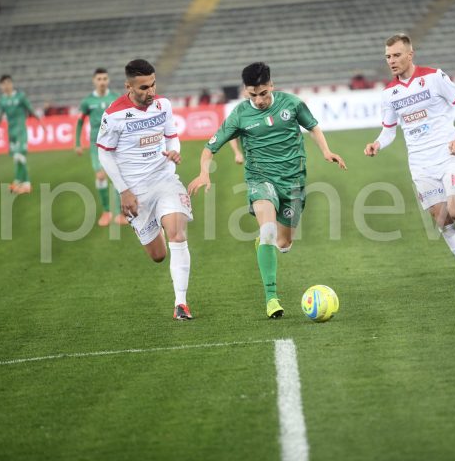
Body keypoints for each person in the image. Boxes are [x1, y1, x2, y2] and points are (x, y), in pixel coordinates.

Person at [187, 62, 346, 319]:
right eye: (253, 95)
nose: (259, 100)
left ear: (271, 85)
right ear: (245, 91)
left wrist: (326, 151)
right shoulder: (239, 115)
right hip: (260, 178)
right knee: (268, 230)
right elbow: (209, 148)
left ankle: (265, 243)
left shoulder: (292, 104)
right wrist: (204, 172)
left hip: (293, 181)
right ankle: (271, 297)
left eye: (263, 93)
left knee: (283, 242)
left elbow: (313, 126)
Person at [363, 33, 455, 292]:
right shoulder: (389, 94)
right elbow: (389, 130)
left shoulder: (434, 77)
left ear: (410, 54)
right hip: (420, 165)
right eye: (388, 56)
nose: (391, 61)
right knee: (442, 220)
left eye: (397, 55)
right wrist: (377, 143)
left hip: (448, 156)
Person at [96, 59, 194, 320]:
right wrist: (123, 190)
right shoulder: (114, 114)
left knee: (177, 233)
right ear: (128, 86)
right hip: (135, 192)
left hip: (164, 180)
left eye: (153, 85)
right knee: (159, 255)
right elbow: (104, 154)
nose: (150, 92)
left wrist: (175, 151)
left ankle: (181, 304)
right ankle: (152, 226)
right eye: (143, 88)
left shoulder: (163, 106)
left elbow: (172, 136)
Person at [74, 68, 127, 227]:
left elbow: (125, 118)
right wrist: (77, 143)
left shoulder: (116, 97)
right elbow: (80, 122)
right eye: (99, 79)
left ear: (108, 80)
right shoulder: (87, 101)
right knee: (101, 176)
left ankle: (120, 212)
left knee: (117, 176)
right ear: (94, 81)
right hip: (96, 144)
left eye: (104, 78)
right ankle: (106, 211)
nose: (102, 81)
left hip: (115, 143)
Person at [0, 75, 42, 194]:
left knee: (19, 156)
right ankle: (26, 184)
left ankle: (17, 181)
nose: (6, 86)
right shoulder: (2, 100)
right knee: (18, 159)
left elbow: (30, 109)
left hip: (21, 131)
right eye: (3, 84)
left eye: (8, 83)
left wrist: (40, 121)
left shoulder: (20, 96)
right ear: (0, 86)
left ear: (11, 83)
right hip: (11, 132)